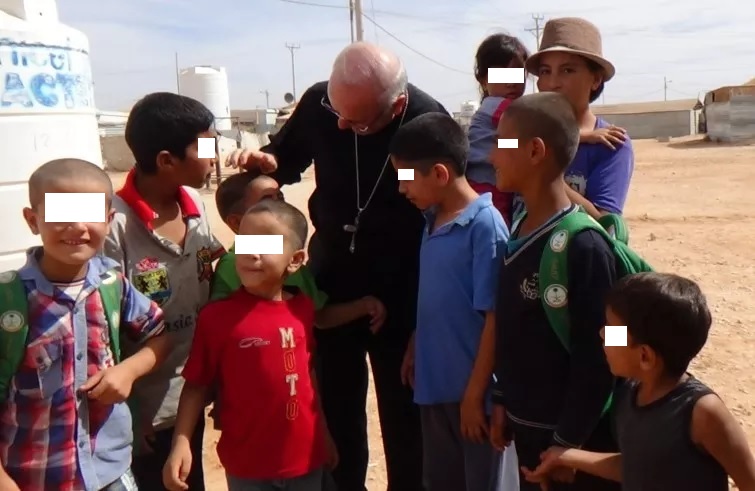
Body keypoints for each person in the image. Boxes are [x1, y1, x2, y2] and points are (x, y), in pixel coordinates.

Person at [226, 41, 448, 490]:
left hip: (402, 285)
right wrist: (267, 163)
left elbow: (443, 215)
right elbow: (284, 160)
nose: (342, 125)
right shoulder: (320, 104)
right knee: (337, 406)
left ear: (396, 106)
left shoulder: (425, 124)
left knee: (404, 413)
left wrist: (427, 320)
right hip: (332, 279)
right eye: (338, 113)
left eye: (358, 121)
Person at [0, 158, 168, 491]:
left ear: (108, 220)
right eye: (61, 214)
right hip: (31, 478)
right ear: (32, 220)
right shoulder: (9, 300)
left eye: (89, 214)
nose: (77, 227)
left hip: (110, 472)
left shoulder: (113, 285)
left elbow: (160, 337)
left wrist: (128, 371)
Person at [488, 92, 620, 491]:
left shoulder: (585, 246)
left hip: (572, 450)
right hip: (528, 433)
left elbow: (603, 352)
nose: (492, 156)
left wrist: (568, 443)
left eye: (502, 144)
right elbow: (513, 328)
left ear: (534, 151)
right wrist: (502, 398)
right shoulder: (519, 228)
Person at [163, 199, 338, 491]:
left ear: (295, 260)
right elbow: (196, 385)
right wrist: (180, 444)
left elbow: (307, 378)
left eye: (266, 244)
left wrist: (324, 434)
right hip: (247, 465)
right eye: (245, 241)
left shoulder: (302, 309)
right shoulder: (216, 318)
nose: (252, 253)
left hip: (306, 459)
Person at [523, 272, 755, 491]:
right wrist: (566, 456)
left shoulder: (702, 413)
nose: (602, 334)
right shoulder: (629, 394)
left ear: (645, 356)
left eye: (613, 331)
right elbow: (637, 466)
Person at [104, 92, 226, 490]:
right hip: (145, 411)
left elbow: (215, 270)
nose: (214, 159)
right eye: (205, 149)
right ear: (166, 160)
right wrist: (127, 412)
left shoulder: (196, 205)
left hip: (191, 392)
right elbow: (102, 326)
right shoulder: (113, 226)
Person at [390, 113, 508, 491]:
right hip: (434, 388)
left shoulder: (485, 226)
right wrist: (416, 342)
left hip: (473, 399)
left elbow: (495, 318)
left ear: (440, 174)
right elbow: (438, 299)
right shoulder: (431, 220)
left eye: (406, 178)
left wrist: (475, 396)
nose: (401, 189)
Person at [211, 170, 385, 333]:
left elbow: (318, 316)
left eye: (280, 197)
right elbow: (215, 327)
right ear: (236, 222)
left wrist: (364, 306)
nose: (280, 206)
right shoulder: (231, 265)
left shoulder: (289, 259)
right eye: (267, 202)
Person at [525, 17, 634, 219]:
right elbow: (499, 145)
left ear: (596, 79)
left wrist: (549, 176)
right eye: (545, 71)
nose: (553, 83)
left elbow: (606, 225)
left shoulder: (612, 144)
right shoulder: (527, 131)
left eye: (567, 70)